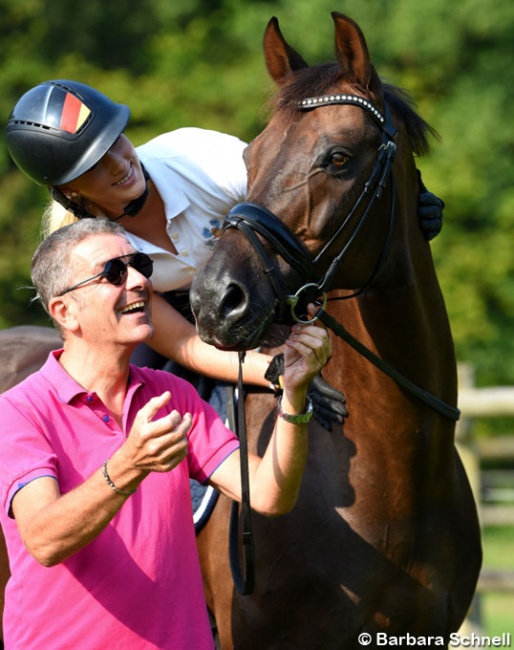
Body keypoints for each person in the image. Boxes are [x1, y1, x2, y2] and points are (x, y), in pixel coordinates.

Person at [0, 218, 332, 649]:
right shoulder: (18, 411)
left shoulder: (171, 393)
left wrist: (293, 395)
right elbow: (45, 541)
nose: (139, 281)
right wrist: (128, 465)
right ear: (65, 312)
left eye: (138, 265)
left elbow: (271, 494)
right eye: (113, 274)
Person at [6, 79, 348, 431]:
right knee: (127, 396)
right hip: (179, 325)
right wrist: (276, 373)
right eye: (94, 165)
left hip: (268, 286)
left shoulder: (202, 159)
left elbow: (297, 222)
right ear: (70, 190)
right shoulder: (95, 249)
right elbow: (185, 343)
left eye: (115, 141)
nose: (119, 164)